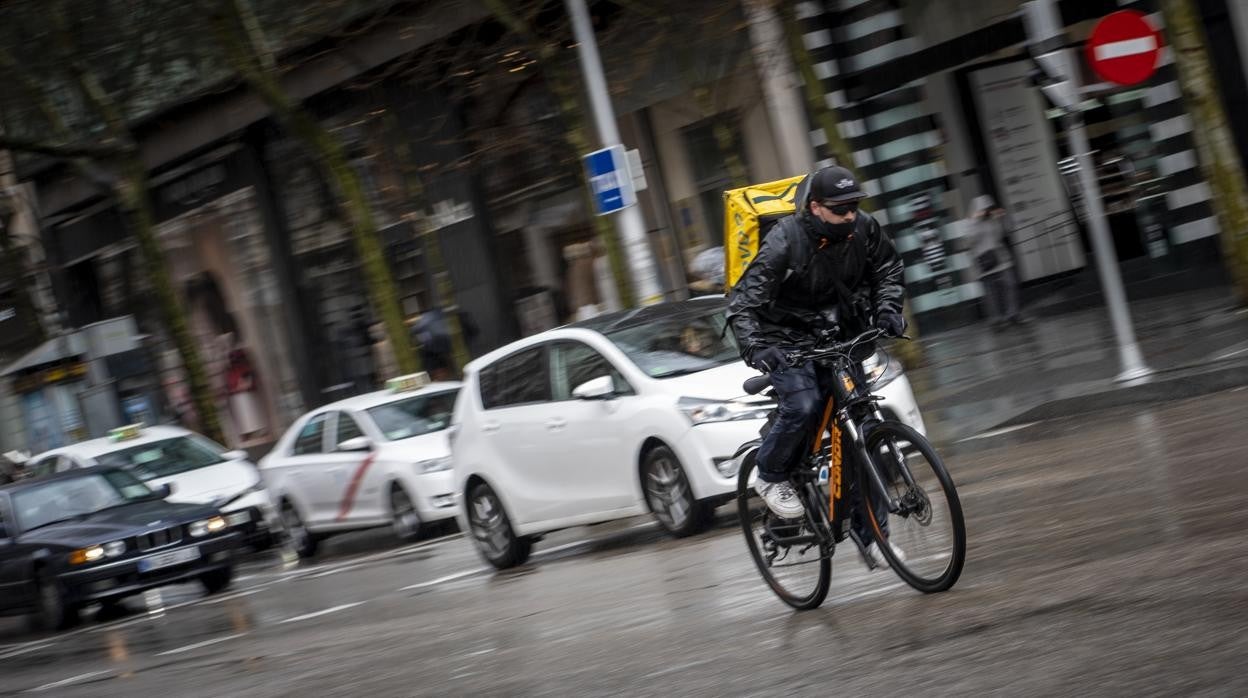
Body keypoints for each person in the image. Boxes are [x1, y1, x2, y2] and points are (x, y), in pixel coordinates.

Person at [727, 165, 906, 562]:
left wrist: (889, 309)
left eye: (854, 207)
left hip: (838, 333)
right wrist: (758, 348)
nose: (850, 216)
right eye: (840, 209)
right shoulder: (784, 241)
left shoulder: (864, 229)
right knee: (805, 403)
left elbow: (889, 269)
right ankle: (770, 474)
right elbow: (743, 304)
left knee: (862, 433)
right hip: (784, 339)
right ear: (815, 207)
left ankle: (873, 537)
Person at [965, 195, 1025, 328]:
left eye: (988, 208)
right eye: (984, 209)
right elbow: (971, 240)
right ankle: (997, 319)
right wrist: (976, 220)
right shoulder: (970, 222)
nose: (986, 211)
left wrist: (1002, 217)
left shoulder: (993, 220)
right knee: (991, 292)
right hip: (985, 261)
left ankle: (1013, 314)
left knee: (1011, 284)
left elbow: (1005, 232)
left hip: (1001, 258)